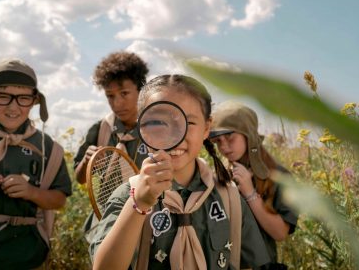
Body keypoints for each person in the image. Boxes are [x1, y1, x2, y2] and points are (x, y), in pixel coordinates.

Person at [90, 75, 271, 270]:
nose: (175, 135)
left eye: (189, 123)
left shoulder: (230, 197)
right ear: (141, 128)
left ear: (206, 129)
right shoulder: (127, 197)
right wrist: (139, 203)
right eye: (158, 123)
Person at [0, 58, 72, 269]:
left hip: (27, 255)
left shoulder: (49, 148)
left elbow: (59, 201)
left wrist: (32, 193)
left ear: (35, 101)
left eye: (23, 98)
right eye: (3, 97)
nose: (13, 107)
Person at [209, 101, 298, 270]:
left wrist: (249, 192)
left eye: (230, 138)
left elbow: (280, 233)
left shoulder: (279, 176)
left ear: (248, 134)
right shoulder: (218, 175)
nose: (224, 147)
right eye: (218, 141)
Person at [73, 51, 150, 240]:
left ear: (141, 90)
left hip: (145, 225)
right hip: (104, 224)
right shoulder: (100, 130)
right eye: (110, 96)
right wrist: (87, 162)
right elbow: (80, 178)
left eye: (124, 93)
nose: (117, 103)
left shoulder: (155, 129)